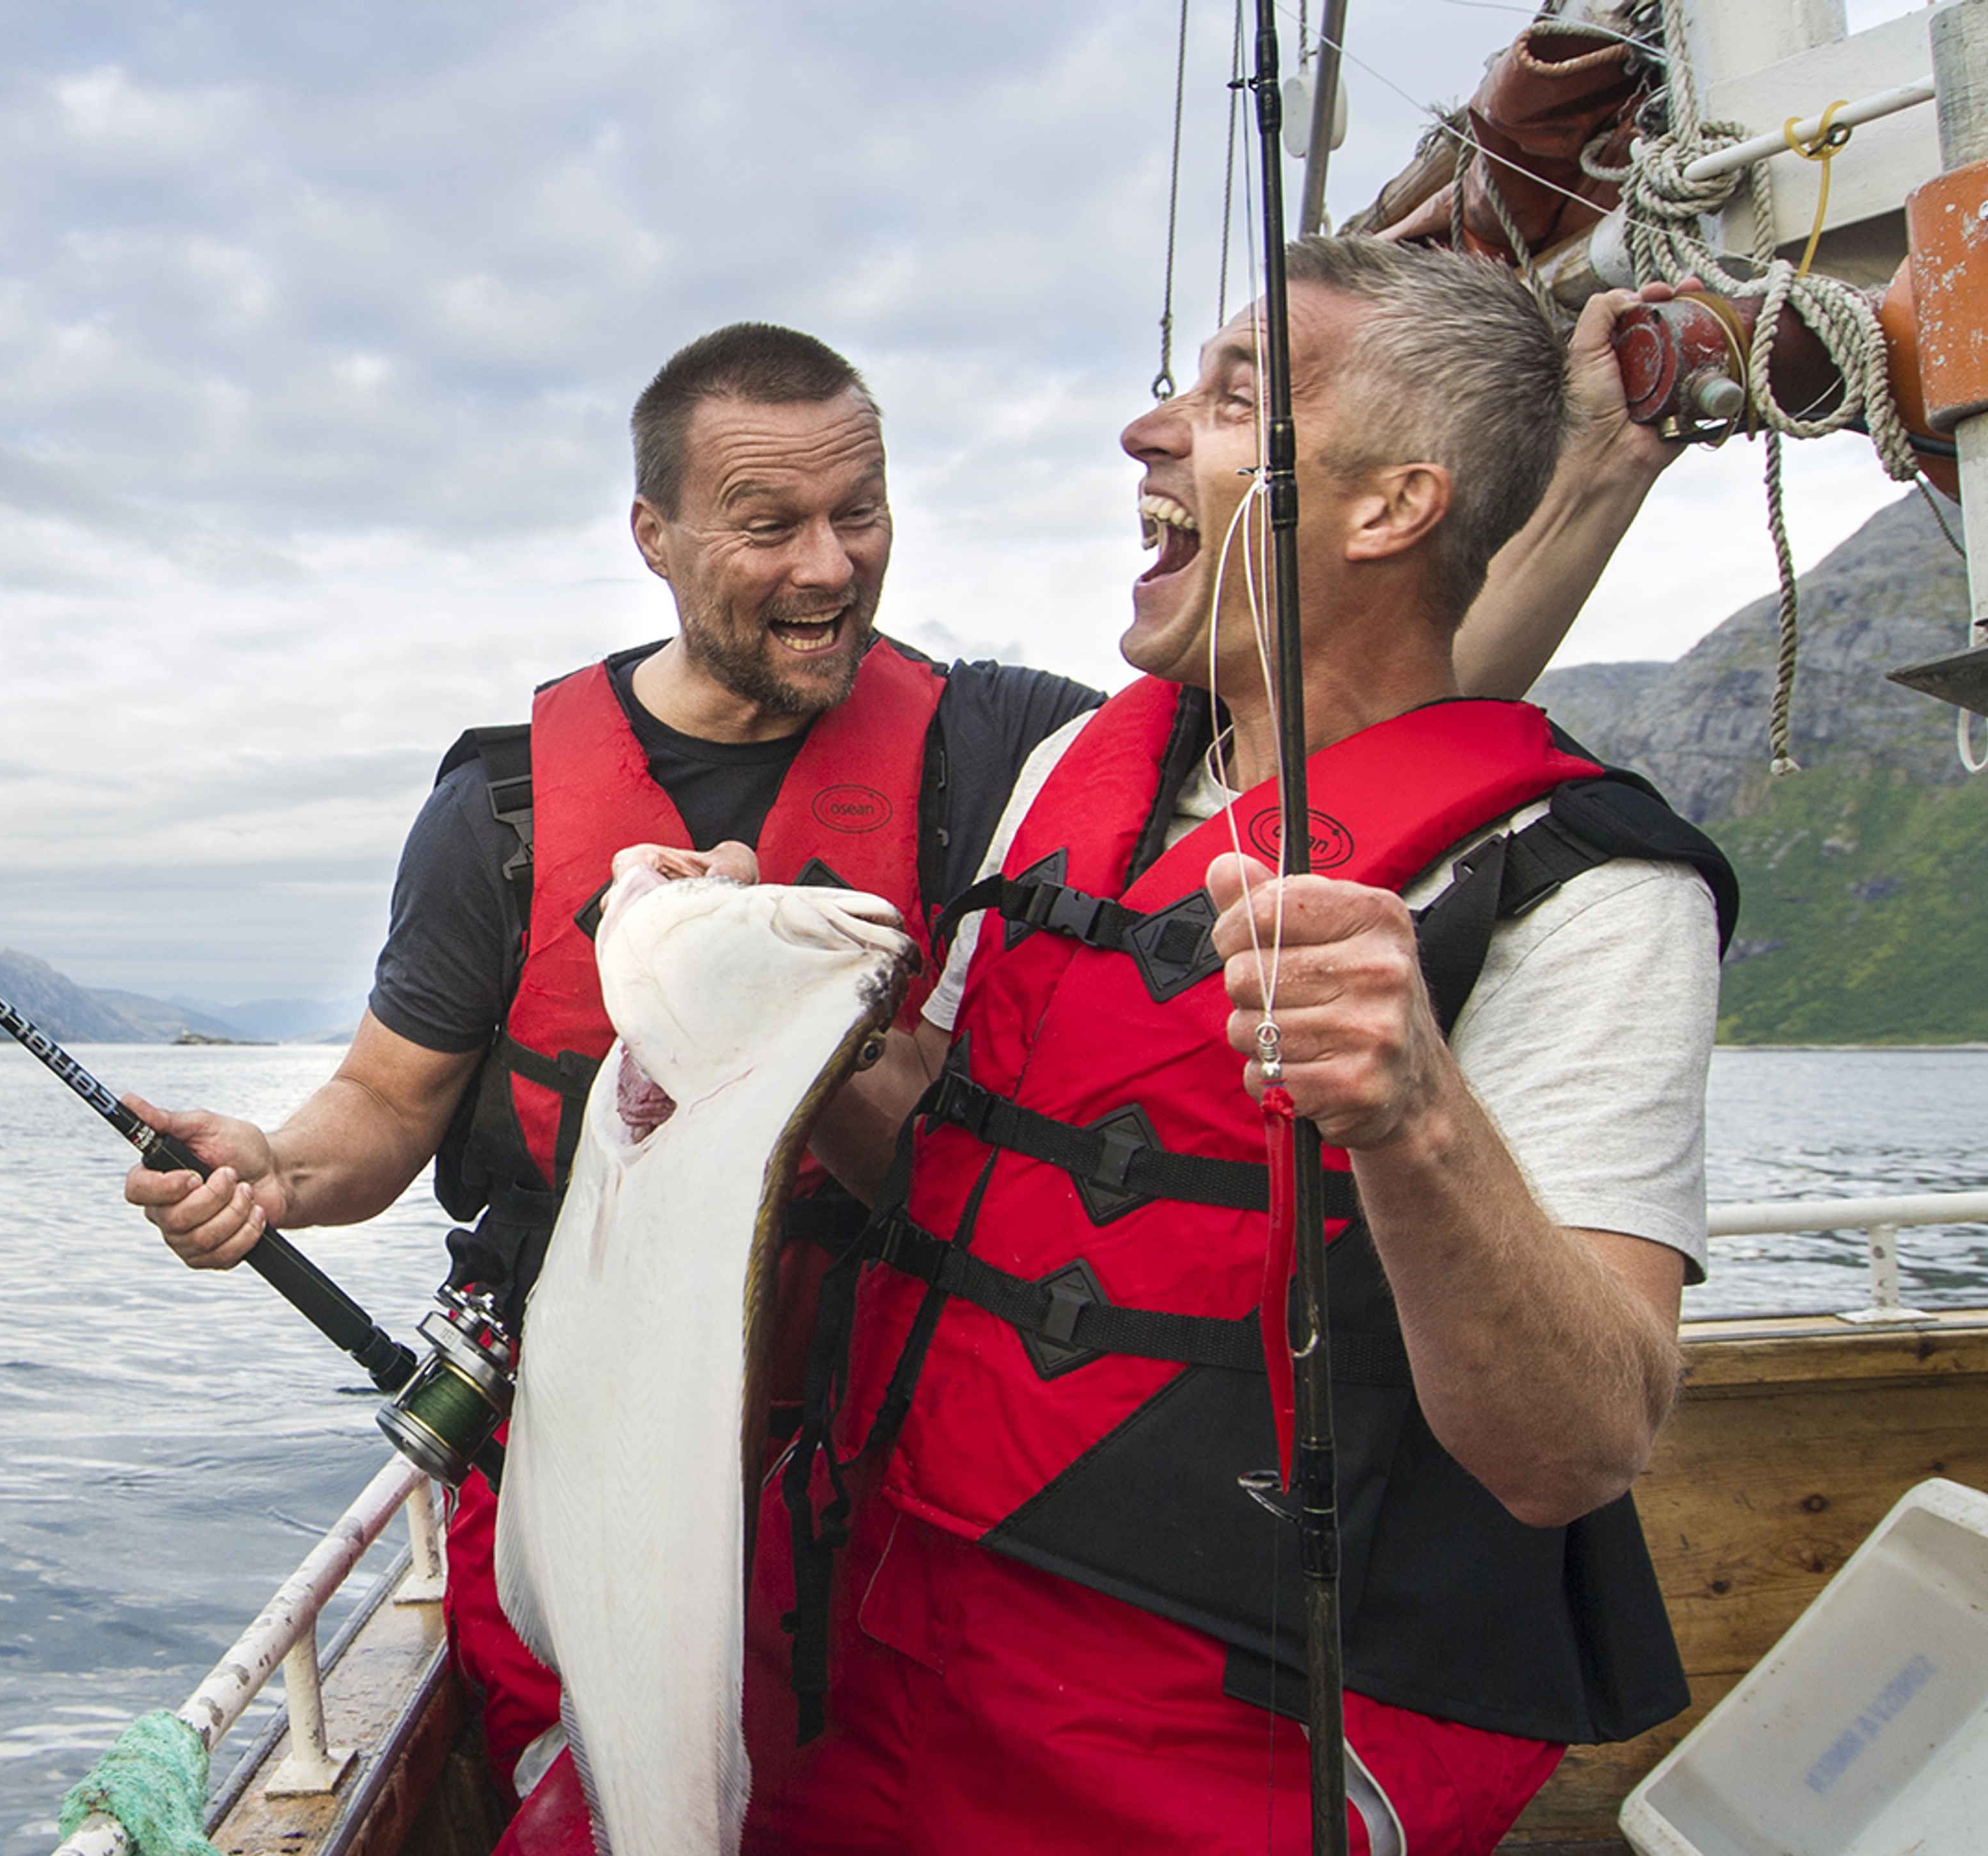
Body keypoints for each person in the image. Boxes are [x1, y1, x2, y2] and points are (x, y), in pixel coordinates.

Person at [124, 298, 1684, 1813]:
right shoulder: (508, 806)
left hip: (881, 1483)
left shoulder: (1006, 742)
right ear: (654, 537)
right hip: (622, 1450)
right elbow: (384, 1106)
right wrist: (275, 1169)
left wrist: (1590, 481)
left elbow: (1368, 711)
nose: (829, 564)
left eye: (859, 512)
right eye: (767, 523)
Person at [741, 237, 1734, 1856]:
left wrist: (1413, 1113)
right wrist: (764, 1007)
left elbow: (1581, 1445)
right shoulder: (1077, 764)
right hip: (878, 1621)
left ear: (1389, 508)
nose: (1149, 430)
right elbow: (933, 1150)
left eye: (1232, 399)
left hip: (1231, 1727)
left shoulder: (1587, 887)